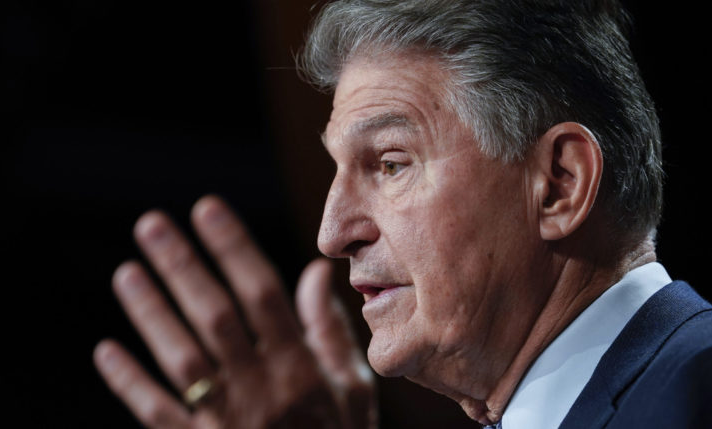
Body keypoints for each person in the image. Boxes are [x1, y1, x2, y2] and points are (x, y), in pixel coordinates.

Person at [93, 0, 712, 428]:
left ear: (558, 184)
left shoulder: (695, 388)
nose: (332, 234)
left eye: (390, 163)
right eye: (337, 169)